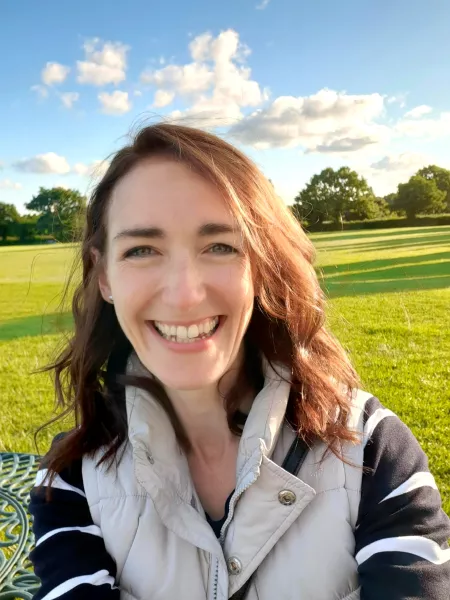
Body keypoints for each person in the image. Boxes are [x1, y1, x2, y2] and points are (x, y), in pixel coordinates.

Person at [29, 123, 450, 600]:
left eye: (221, 246)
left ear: (261, 266)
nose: (185, 294)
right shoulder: (69, 481)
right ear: (104, 275)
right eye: (142, 249)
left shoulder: (371, 449)